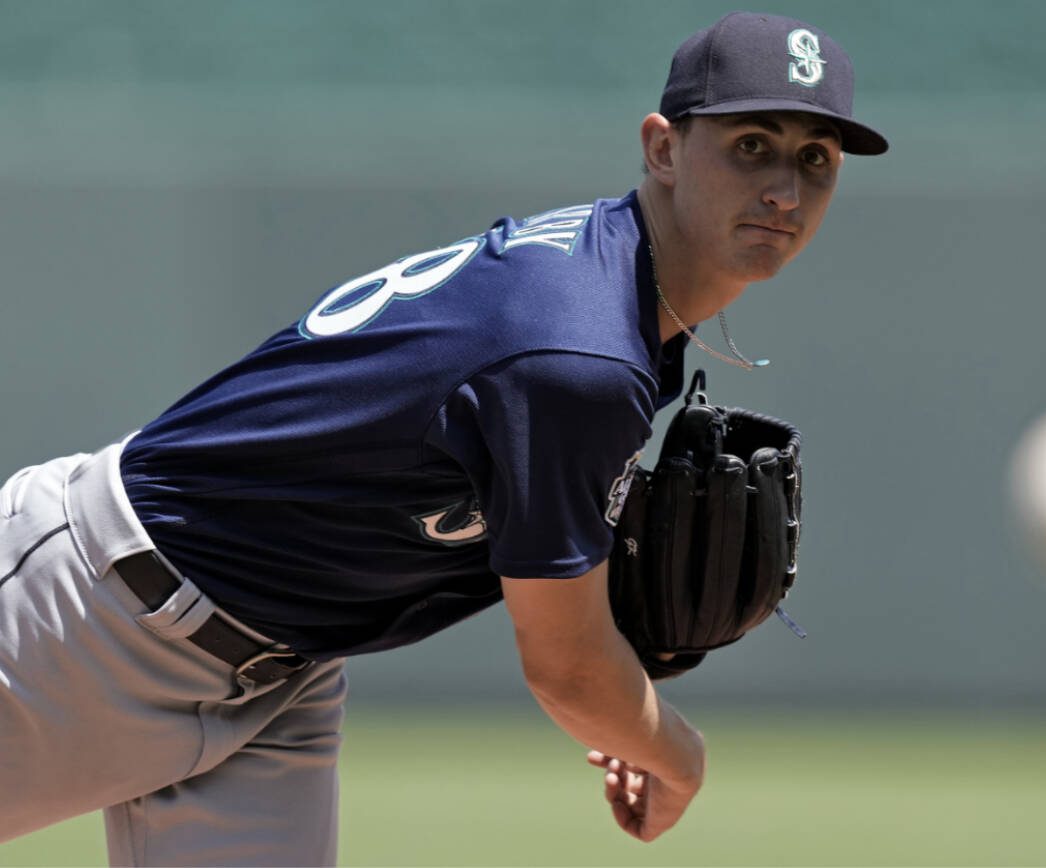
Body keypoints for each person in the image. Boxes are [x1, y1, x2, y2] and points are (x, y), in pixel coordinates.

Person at [0, 11, 887, 865]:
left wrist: (625, 702)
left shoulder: (608, 290)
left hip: (278, 671)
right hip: (85, 614)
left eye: (816, 158)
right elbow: (567, 669)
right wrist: (674, 752)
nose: (785, 187)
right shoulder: (578, 350)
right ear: (663, 148)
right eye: (752, 146)